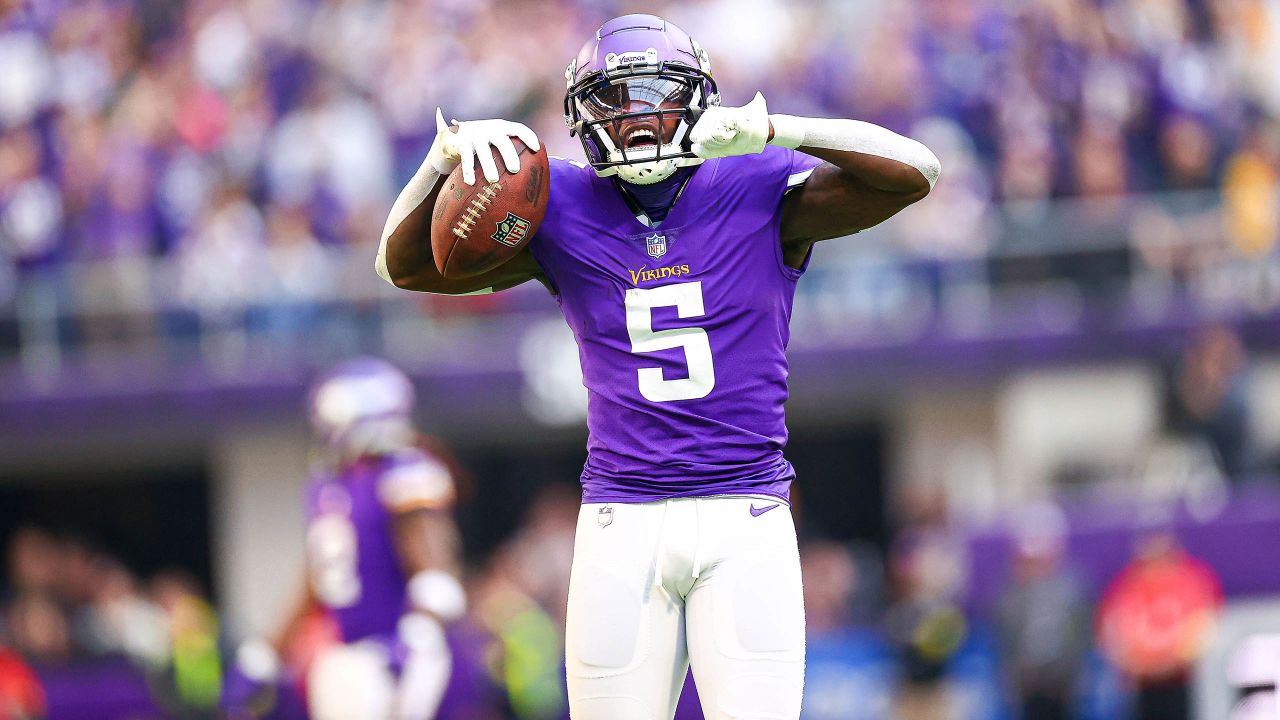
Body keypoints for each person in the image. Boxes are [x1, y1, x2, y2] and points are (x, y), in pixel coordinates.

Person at [376, 14, 939, 719]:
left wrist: (776, 128)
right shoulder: (557, 203)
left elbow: (919, 171)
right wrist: (444, 158)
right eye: (613, 98)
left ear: (697, 98)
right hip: (623, 517)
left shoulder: (755, 182)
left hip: (745, 511)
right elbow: (401, 268)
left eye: (653, 93)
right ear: (583, 114)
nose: (636, 117)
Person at [223, 357, 466, 720]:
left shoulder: (403, 472)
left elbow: (436, 569)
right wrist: (263, 658)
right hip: (348, 656)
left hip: (399, 648)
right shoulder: (329, 485)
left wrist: (420, 633)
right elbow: (316, 579)